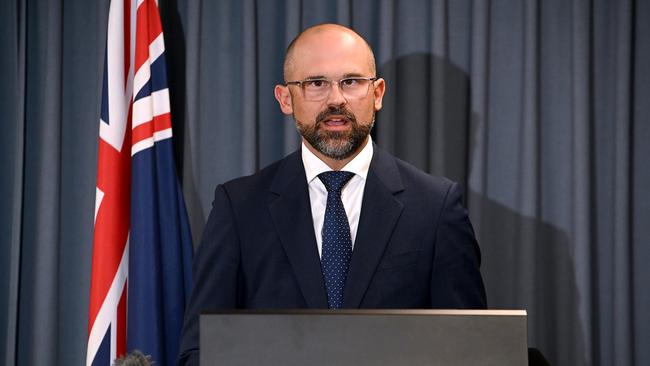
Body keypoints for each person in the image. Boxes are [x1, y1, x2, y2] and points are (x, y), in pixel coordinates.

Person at [177, 23, 486, 365]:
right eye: (316, 83)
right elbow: (201, 350)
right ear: (285, 98)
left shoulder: (435, 206)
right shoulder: (239, 207)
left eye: (351, 81)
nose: (336, 99)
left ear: (378, 93)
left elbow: (469, 348)